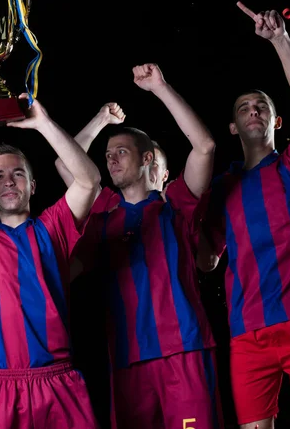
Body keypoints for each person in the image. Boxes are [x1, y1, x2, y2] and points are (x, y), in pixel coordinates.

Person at [57, 63, 222, 429]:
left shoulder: (176, 204)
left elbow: (205, 146)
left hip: (183, 351)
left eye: (121, 152)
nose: (111, 158)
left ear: (148, 159)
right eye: (108, 154)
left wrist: (160, 88)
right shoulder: (103, 214)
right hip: (127, 359)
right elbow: (63, 162)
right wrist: (101, 120)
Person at [0, 94, 102, 428]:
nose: (8, 180)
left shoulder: (53, 228)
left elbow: (89, 181)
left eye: (18, 174)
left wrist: (43, 123)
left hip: (57, 381)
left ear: (34, 186)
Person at [197, 2, 290, 429]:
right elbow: (207, 260)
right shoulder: (221, 188)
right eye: (244, 107)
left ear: (276, 120)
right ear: (233, 126)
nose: (253, 110)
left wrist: (280, 40)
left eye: (262, 106)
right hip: (249, 333)